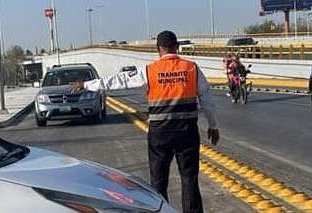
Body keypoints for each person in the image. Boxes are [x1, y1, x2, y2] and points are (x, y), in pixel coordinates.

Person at [70, 31, 219, 213]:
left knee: (158, 182)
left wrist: (86, 84)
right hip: (186, 132)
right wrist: (213, 125)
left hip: (160, 134)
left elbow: (120, 80)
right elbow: (207, 99)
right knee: (189, 178)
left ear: (159, 50)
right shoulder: (192, 68)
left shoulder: (150, 70)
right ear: (177, 48)